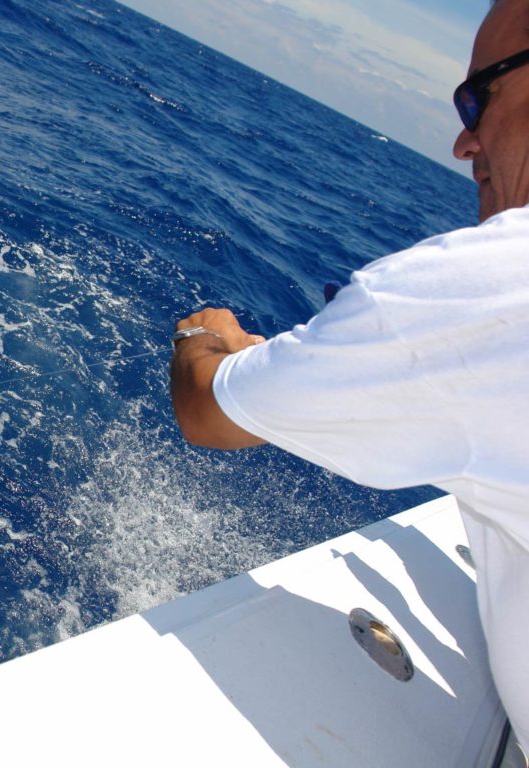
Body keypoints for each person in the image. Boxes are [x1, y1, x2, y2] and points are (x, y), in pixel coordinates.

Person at [169, 0, 529, 751]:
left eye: (476, 98)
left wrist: (208, 334)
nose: (465, 141)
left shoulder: (491, 287)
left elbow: (207, 411)